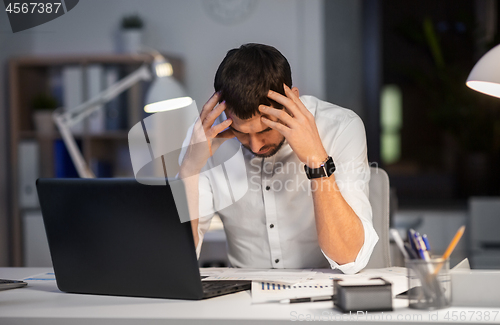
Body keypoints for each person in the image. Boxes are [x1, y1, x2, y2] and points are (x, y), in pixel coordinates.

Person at [178, 43, 378, 274]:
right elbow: (178, 258)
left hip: (323, 294)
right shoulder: (202, 140)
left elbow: (350, 257)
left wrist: (316, 159)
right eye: (241, 132)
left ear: (292, 99)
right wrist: (189, 170)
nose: (255, 145)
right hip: (242, 296)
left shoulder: (340, 128)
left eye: (265, 130)